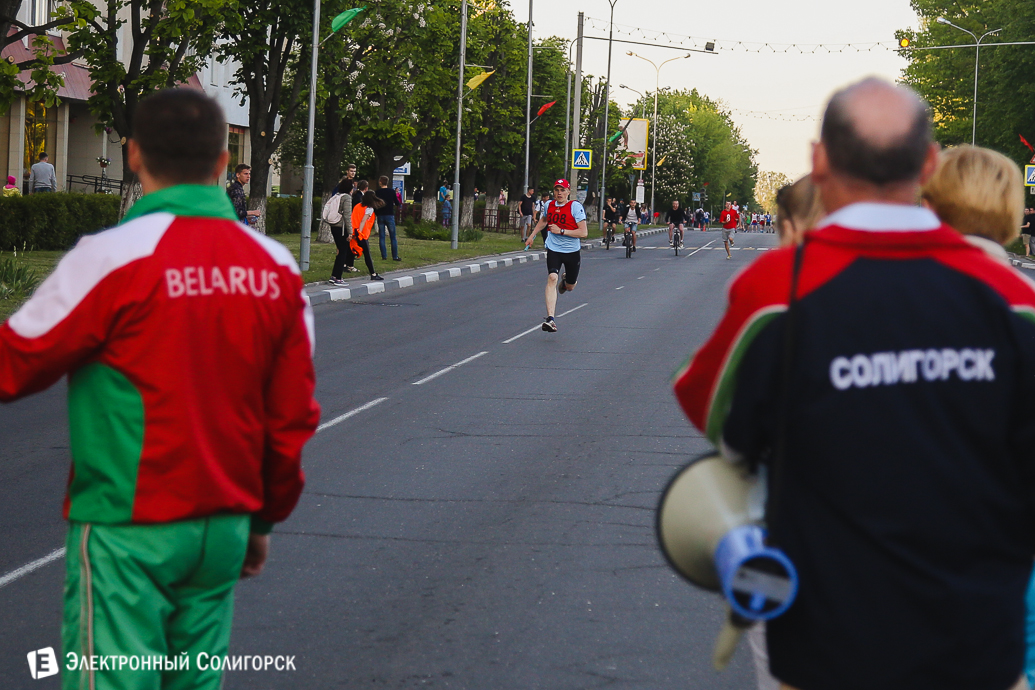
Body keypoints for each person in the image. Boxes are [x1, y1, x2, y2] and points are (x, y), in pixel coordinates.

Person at [674, 77, 1035, 690]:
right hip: (977, 645)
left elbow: (721, 426)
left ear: (819, 161)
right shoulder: (1013, 300)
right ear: (928, 164)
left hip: (826, 645)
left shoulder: (776, 291)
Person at [0, 88, 319, 690]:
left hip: (129, 527)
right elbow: (291, 418)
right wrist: (260, 521)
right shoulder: (276, 269)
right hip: (223, 528)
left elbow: (14, 363)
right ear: (223, 162)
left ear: (134, 155)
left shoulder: (109, 258)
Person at [523, 179, 587, 332]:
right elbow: (544, 220)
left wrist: (562, 231)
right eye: (557, 190)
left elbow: (583, 232)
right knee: (552, 277)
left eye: (563, 190)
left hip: (571, 251)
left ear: (568, 192)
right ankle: (550, 319)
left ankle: (565, 282)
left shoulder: (575, 207)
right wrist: (531, 236)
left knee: (570, 287)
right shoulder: (549, 205)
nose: (559, 193)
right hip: (554, 248)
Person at [328, 173, 357, 286]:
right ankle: (337, 277)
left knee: (340, 251)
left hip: (334, 226)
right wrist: (350, 232)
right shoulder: (347, 198)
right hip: (342, 228)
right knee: (343, 252)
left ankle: (334, 276)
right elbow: (347, 216)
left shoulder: (337, 196)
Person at [351, 189, 383, 280]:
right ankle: (373, 274)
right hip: (361, 234)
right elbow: (363, 221)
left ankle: (346, 266)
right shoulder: (369, 209)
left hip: (353, 230)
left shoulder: (357, 206)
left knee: (351, 250)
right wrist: (359, 233)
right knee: (367, 254)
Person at [374, 175, 400, 261]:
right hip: (389, 215)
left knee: (382, 236)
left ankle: (384, 256)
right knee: (393, 237)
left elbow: (375, 204)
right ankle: (395, 256)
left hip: (380, 215)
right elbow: (397, 202)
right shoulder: (391, 191)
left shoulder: (377, 192)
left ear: (380, 182)